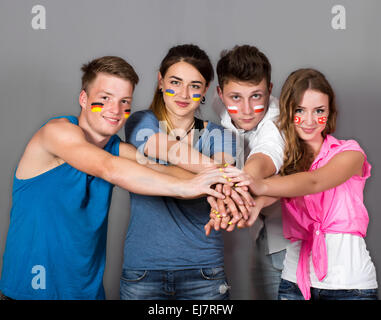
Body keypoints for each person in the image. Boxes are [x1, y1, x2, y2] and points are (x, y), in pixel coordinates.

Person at [0, 56, 236, 300]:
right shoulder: (56, 132)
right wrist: (186, 187)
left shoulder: (116, 147)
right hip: (29, 293)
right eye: (104, 99)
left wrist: (217, 186)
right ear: (83, 99)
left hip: (87, 295)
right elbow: (108, 168)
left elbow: (158, 169)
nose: (115, 110)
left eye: (124, 101)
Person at [228, 68, 378, 300]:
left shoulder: (350, 153)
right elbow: (280, 186)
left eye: (319, 111)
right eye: (300, 110)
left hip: (350, 287)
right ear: (289, 112)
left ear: (329, 113)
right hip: (295, 286)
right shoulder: (289, 166)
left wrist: (260, 185)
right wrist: (253, 204)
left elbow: (313, 181)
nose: (309, 121)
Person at [120, 44, 249, 300]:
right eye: (175, 82)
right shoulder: (142, 123)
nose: (183, 93)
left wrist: (219, 180)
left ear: (205, 90)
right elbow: (168, 149)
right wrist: (219, 178)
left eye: (195, 86)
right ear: (160, 81)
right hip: (143, 270)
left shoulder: (221, 136)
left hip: (204, 270)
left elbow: (221, 174)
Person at [205, 45, 288, 299]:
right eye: (235, 97)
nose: (247, 110)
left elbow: (265, 154)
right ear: (220, 93)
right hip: (252, 233)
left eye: (256, 96)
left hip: (287, 241)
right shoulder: (220, 106)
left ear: (270, 91)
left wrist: (238, 183)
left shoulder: (277, 120)